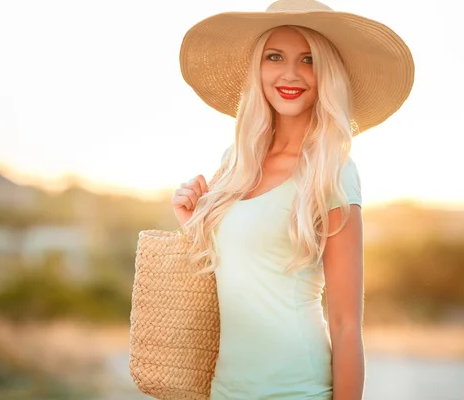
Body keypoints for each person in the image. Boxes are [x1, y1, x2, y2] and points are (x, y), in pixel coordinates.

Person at [171, 0, 414, 399]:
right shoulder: (234, 162)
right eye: (275, 56)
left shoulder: (332, 171)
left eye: (308, 60)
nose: (290, 73)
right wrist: (190, 221)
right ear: (258, 67)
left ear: (327, 74)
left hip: (298, 390)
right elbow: (229, 276)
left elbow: (346, 323)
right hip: (225, 390)